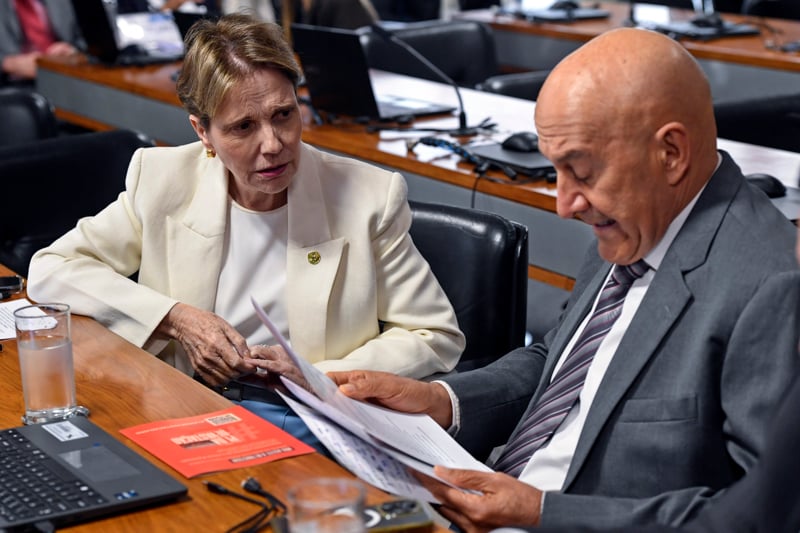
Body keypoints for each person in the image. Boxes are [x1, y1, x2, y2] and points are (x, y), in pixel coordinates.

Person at [328, 27, 800, 531]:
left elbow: (758, 521)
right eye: (556, 170)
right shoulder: (639, 219)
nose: (563, 204)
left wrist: (540, 512)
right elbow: (558, 364)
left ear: (671, 154)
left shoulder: (769, 284)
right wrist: (443, 401)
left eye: (582, 171)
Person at [26, 13, 464, 449]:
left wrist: (315, 374)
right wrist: (176, 319)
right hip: (188, 401)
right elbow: (52, 268)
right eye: (243, 127)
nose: (272, 143)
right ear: (203, 132)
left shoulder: (368, 196)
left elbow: (434, 335)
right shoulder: (163, 178)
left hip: (315, 415)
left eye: (283, 115)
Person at [0, 0, 83, 87]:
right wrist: (7, 64)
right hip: (12, 85)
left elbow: (83, 40)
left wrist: (71, 49)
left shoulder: (62, 2)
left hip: (63, 76)